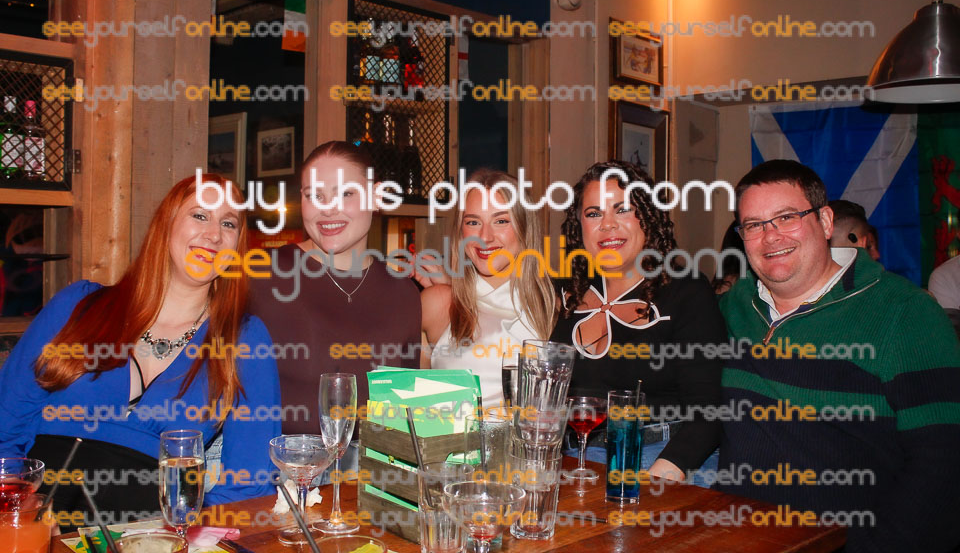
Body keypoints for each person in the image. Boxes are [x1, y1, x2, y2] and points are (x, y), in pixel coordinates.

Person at [0, 174, 280, 523]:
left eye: (228, 223)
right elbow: (5, 425)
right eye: (199, 215)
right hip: (40, 524)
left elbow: (250, 482)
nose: (213, 234)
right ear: (166, 224)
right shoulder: (78, 305)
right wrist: (17, 512)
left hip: (148, 534)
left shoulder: (244, 339)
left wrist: (190, 535)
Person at [718, 159, 960, 552]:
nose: (770, 236)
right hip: (734, 536)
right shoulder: (735, 306)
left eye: (787, 218)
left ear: (826, 221)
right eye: (754, 225)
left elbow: (942, 461)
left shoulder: (904, 312)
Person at [550, 161, 725, 485]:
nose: (608, 224)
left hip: (660, 457)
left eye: (623, 209)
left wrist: (656, 481)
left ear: (648, 216)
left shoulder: (685, 291)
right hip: (575, 460)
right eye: (594, 213)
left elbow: (709, 412)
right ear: (579, 225)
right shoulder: (564, 294)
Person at [249, 141, 421, 436]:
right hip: (279, 463)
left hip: (370, 464)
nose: (328, 209)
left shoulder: (404, 294)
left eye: (345, 193)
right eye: (314, 195)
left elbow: (405, 415)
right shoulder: (261, 274)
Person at [419, 169, 556, 409]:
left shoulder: (554, 307)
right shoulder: (438, 303)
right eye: (473, 222)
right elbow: (407, 406)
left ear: (525, 227)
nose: (484, 237)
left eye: (501, 221)